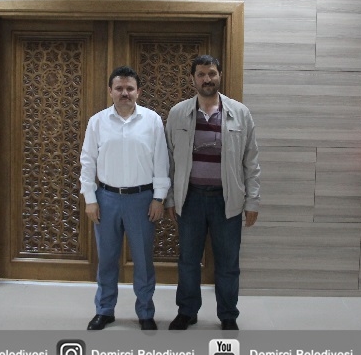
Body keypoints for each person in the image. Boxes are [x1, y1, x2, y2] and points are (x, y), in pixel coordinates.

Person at [164, 54, 261, 331]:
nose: (207, 79)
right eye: (201, 74)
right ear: (192, 79)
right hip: (190, 199)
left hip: (226, 200)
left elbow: (251, 161)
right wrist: (170, 198)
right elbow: (168, 160)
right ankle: (187, 311)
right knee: (188, 261)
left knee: (228, 262)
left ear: (219, 75)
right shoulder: (178, 113)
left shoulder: (240, 113)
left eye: (212, 73)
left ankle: (228, 315)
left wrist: (252, 201)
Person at [79, 65, 170, 331]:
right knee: (107, 259)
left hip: (142, 200)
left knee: (143, 260)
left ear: (138, 91)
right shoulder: (97, 122)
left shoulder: (152, 120)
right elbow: (88, 161)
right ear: (110, 91)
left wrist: (159, 198)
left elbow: (161, 161)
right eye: (119, 88)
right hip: (106, 199)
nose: (124, 93)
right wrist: (90, 199)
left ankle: (145, 312)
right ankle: (104, 310)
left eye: (130, 88)